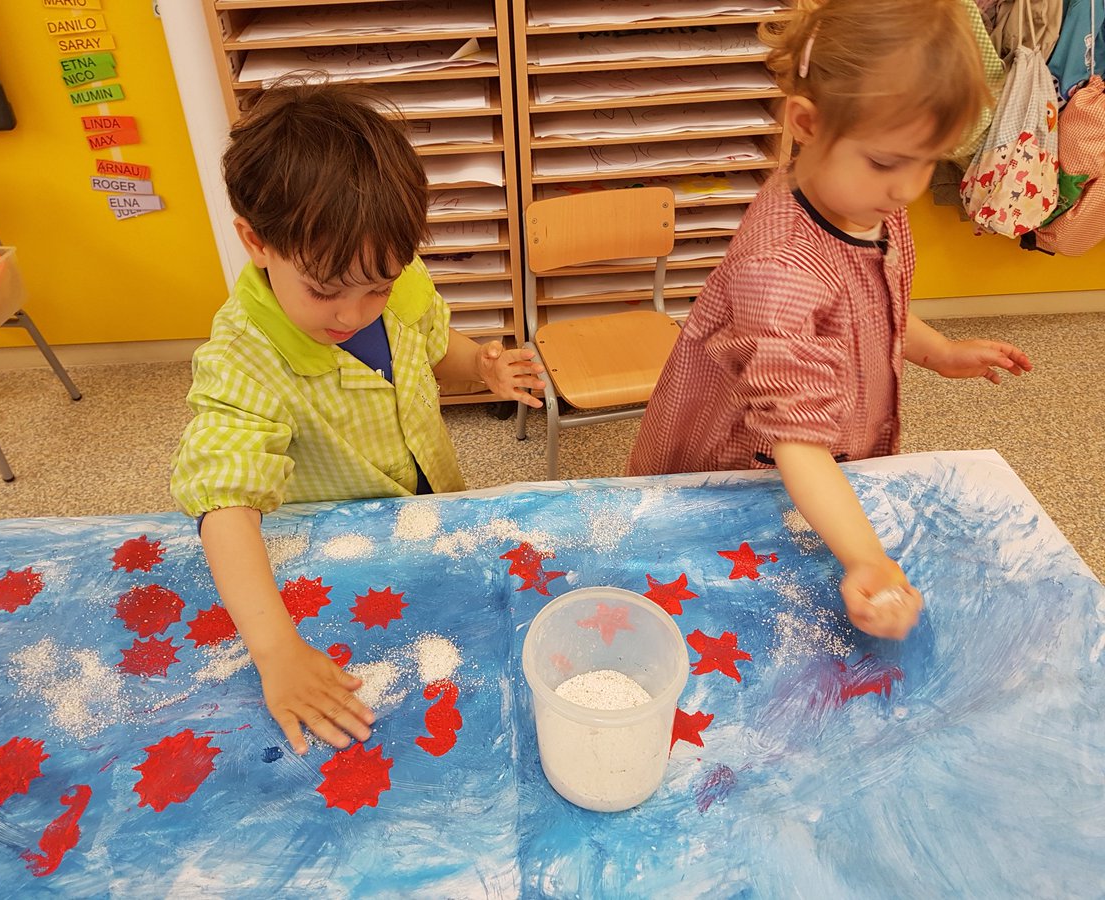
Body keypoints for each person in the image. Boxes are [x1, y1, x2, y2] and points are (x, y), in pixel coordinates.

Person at [628, 0, 1032, 641]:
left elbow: (870, 309)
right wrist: (865, 558)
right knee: (738, 598)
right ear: (807, 124)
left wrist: (937, 350)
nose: (908, 189)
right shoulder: (780, 268)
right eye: (887, 163)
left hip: (822, 452)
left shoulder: (866, 202)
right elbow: (796, 444)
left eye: (929, 161)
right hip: (750, 463)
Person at [171, 81, 544, 754]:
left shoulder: (394, 274)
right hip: (345, 553)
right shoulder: (241, 357)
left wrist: (479, 367)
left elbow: (431, 346)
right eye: (323, 291)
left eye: (377, 288)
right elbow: (224, 505)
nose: (353, 313)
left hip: (434, 506)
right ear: (256, 241)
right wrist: (277, 652)